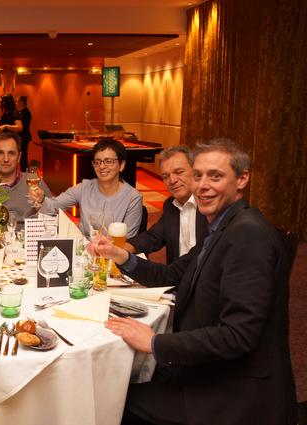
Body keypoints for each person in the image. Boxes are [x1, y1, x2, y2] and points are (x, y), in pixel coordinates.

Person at [92, 138, 296, 424]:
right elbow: (170, 275)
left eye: (215, 176)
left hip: (236, 392)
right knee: (125, 381)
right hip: (210, 369)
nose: (202, 186)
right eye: (198, 176)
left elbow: (238, 335)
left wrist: (156, 342)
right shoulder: (221, 230)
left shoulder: (248, 235)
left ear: (242, 179)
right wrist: (120, 255)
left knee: (114, 400)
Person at [29, 138, 143, 238]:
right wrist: (41, 199)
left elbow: (129, 241)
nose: (102, 166)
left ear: (121, 165)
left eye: (108, 161)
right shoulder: (84, 188)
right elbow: (53, 207)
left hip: (115, 253)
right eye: (97, 162)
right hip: (84, 251)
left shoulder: (133, 198)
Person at [125, 145, 208, 264]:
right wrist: (124, 248)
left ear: (195, 172)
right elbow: (154, 237)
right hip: (177, 274)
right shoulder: (170, 205)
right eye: (166, 176)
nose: (172, 180)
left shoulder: (210, 205)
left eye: (179, 172)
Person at [0, 131, 51, 227]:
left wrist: (42, 203)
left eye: (11, 153)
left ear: (19, 157)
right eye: (0, 153)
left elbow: (54, 214)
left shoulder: (34, 182)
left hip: (28, 235)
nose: (6, 159)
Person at [17, 96, 32, 171]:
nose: (16, 103)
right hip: (21, 137)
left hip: (24, 137)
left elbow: (24, 126)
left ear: (22, 102)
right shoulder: (20, 112)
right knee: (21, 156)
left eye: (18, 101)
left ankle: (24, 171)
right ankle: (23, 171)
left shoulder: (26, 112)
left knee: (23, 156)